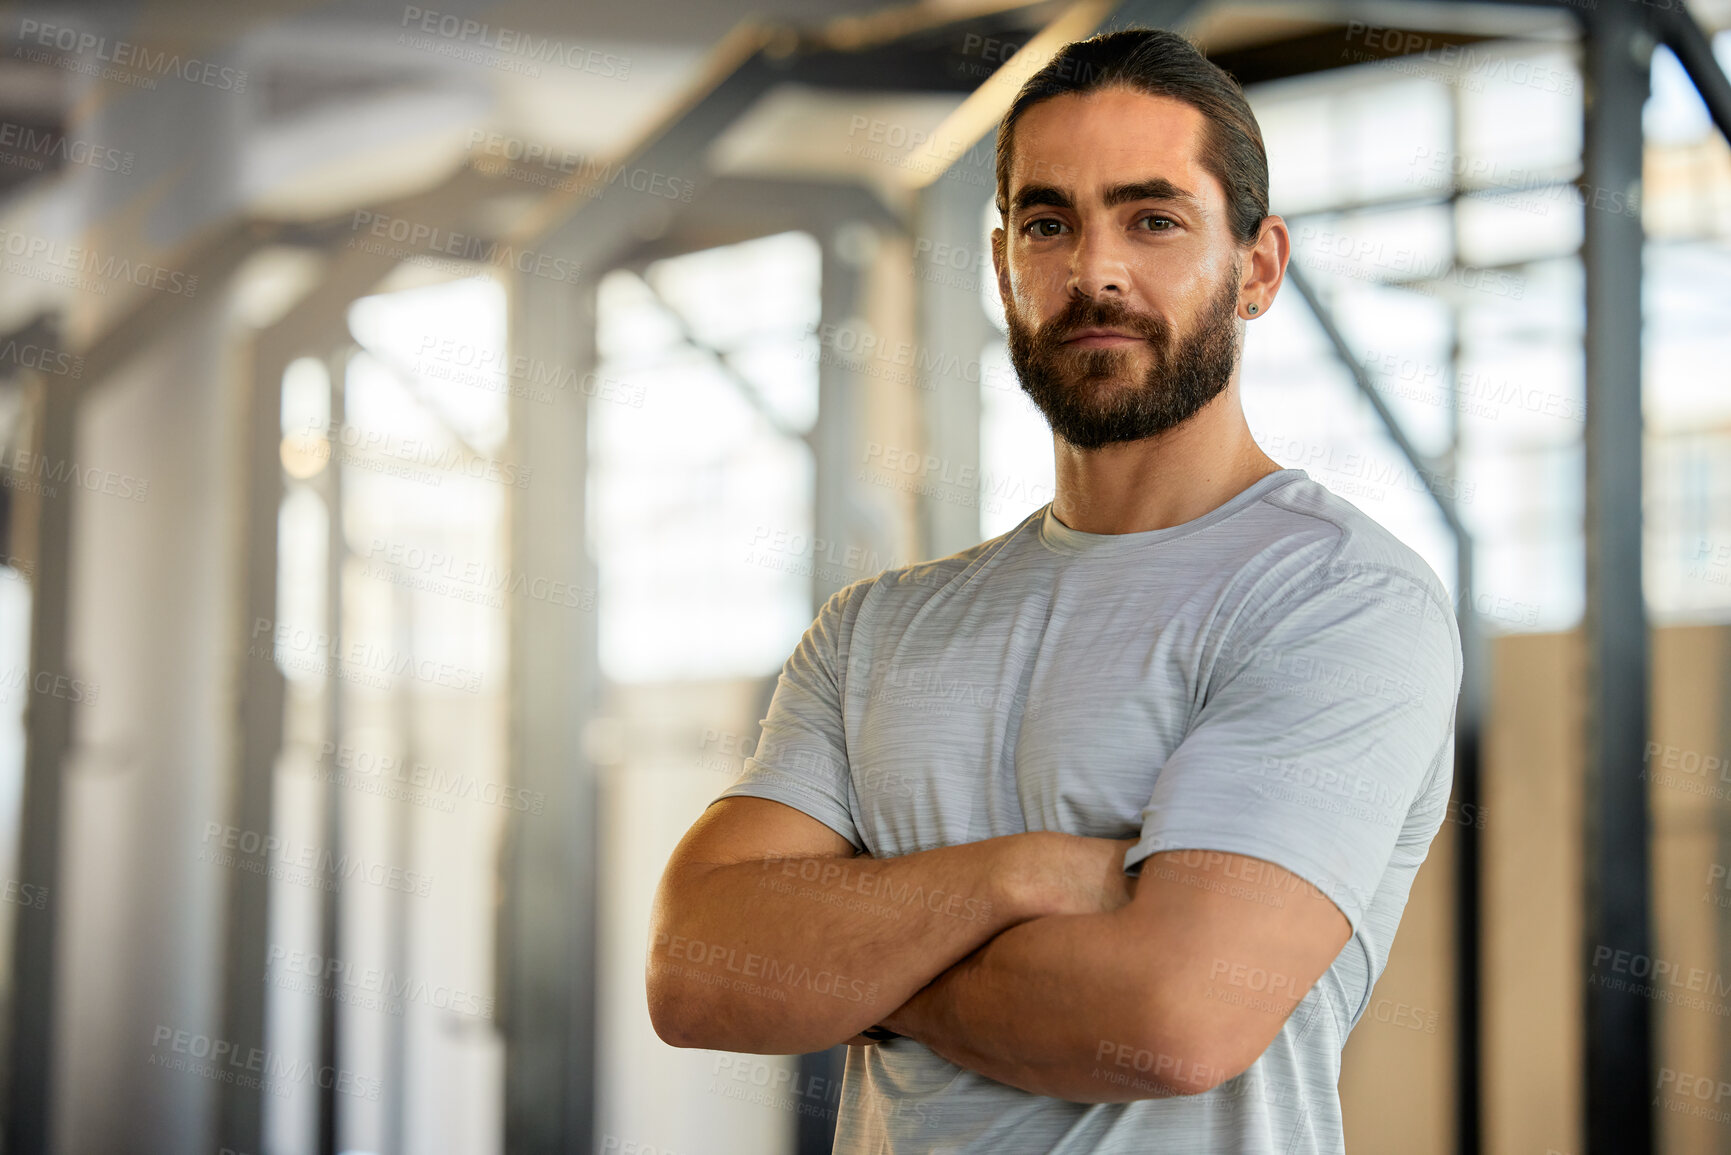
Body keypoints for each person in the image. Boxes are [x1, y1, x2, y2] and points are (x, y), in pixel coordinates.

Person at [647, 26, 1461, 1154]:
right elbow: (696, 969)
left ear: (1258, 268)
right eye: (1048, 224)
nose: (1095, 272)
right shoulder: (876, 629)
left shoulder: (1339, 597)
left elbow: (1173, 1020)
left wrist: (855, 973)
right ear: (1002, 268)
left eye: (1155, 220)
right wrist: (1026, 876)